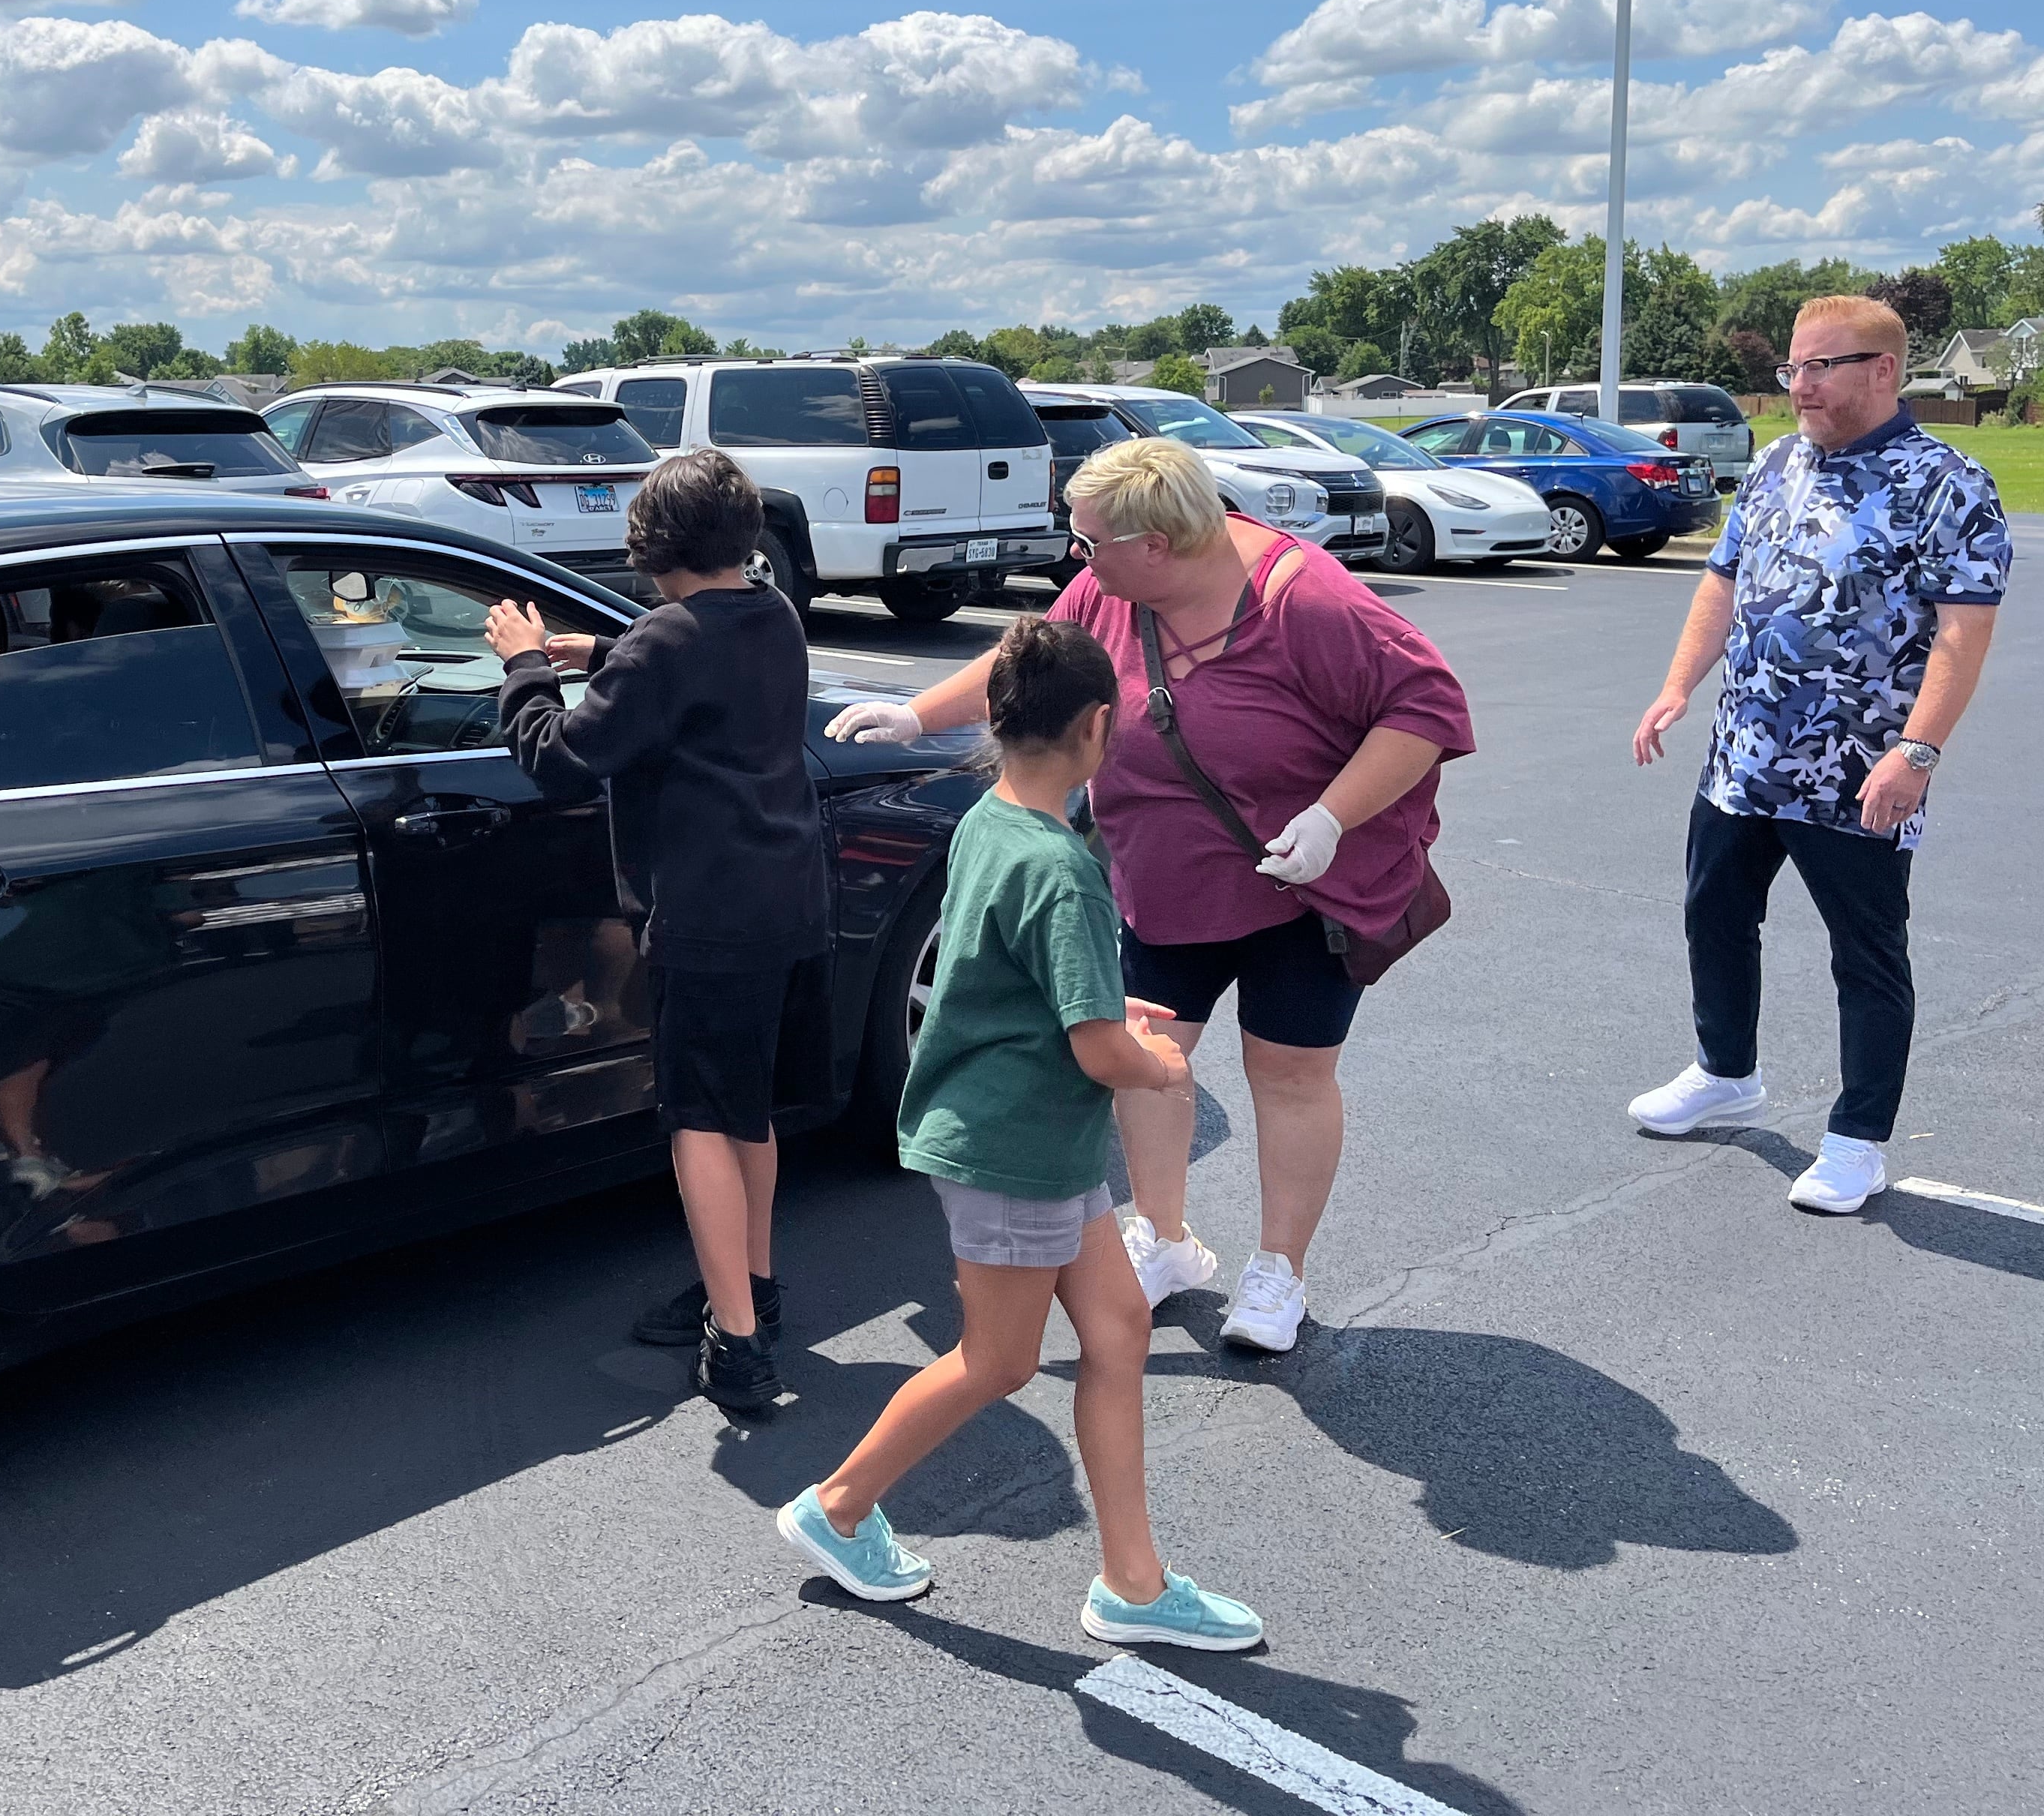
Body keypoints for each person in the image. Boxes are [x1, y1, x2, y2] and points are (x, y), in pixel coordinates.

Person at [827, 437, 1471, 1354]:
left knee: (1289, 1074)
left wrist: (1331, 817)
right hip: (1165, 881)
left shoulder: (1308, 599)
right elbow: (1030, 665)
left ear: (1158, 544)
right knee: (1146, 1056)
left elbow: (1427, 711)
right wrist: (919, 714)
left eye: (1091, 543)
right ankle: (1166, 1241)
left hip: (1301, 886)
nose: (1076, 559)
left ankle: (1277, 1271)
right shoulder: (1112, 590)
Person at [779, 617, 1263, 1651]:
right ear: (1101, 724)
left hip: (1029, 1140)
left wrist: (1108, 1022)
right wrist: (1158, 1059)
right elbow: (1097, 1050)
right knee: (997, 1362)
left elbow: (1014, 988)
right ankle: (841, 1507)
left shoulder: (989, 820)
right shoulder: (1063, 866)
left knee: (1120, 1331)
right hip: (1015, 1148)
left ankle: (1133, 1582)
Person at [1628, 294, 2009, 1211]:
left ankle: (1859, 1138)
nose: (1799, 386)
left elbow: (1964, 635)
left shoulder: (1948, 482)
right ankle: (1727, 1071)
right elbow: (1722, 585)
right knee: (1712, 913)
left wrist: (1917, 753)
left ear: (1883, 369)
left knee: (1866, 953)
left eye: (1819, 367)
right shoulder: (1773, 466)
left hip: (1860, 773)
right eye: (1792, 369)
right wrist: (1680, 686)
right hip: (1747, 754)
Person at [486, 449, 827, 1412]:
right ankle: (749, 1289)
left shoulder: (665, 644)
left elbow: (558, 758)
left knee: (700, 1124)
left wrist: (520, 661)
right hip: (785, 897)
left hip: (707, 914)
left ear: (646, 546)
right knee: (745, 1107)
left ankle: (742, 1344)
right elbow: (686, 663)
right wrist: (589, 654)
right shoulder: (774, 615)